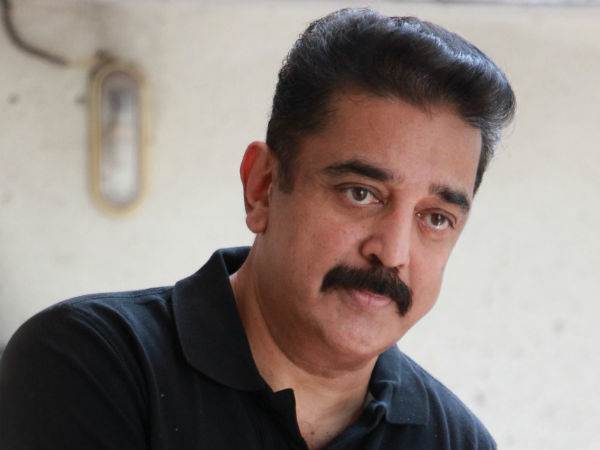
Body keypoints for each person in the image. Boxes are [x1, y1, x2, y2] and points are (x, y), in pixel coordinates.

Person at [0, 8, 515, 450]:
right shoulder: (91, 364)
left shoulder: (457, 441)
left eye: (435, 218)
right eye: (361, 193)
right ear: (263, 187)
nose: (393, 252)